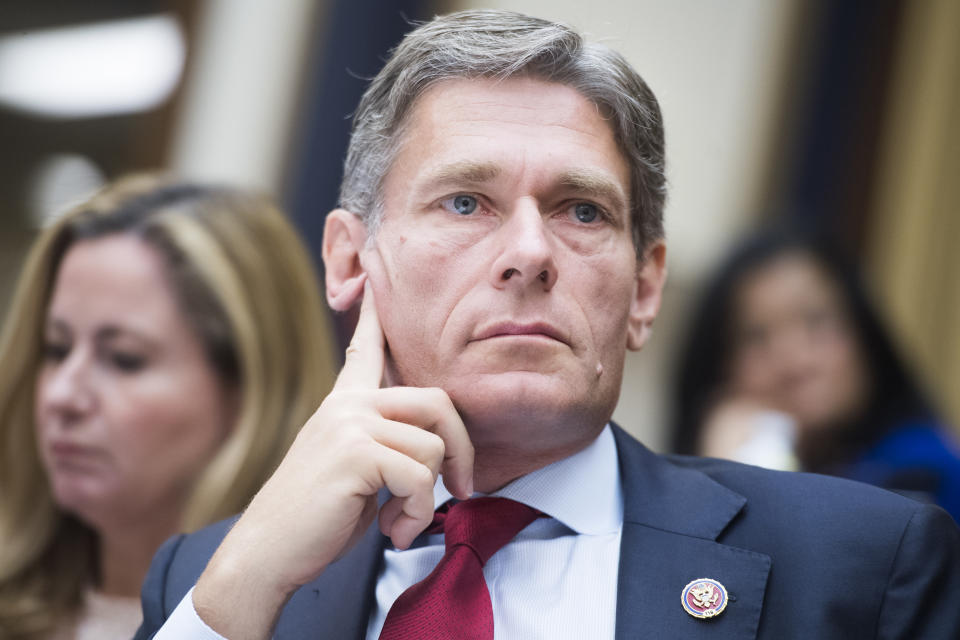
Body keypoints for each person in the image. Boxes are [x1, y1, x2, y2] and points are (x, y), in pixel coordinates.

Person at [137, 10, 960, 639]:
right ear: (352, 261)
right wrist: (238, 588)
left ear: (644, 286)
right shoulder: (216, 585)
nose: (529, 252)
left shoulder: (861, 569)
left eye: (581, 210)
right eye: (466, 201)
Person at [0, 175, 336, 640]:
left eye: (124, 359)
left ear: (250, 389)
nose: (62, 396)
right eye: (56, 349)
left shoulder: (332, 620)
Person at [672, 226, 960, 520]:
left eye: (815, 320)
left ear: (863, 334)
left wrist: (738, 482)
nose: (794, 361)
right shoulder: (678, 483)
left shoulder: (929, 478)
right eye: (756, 336)